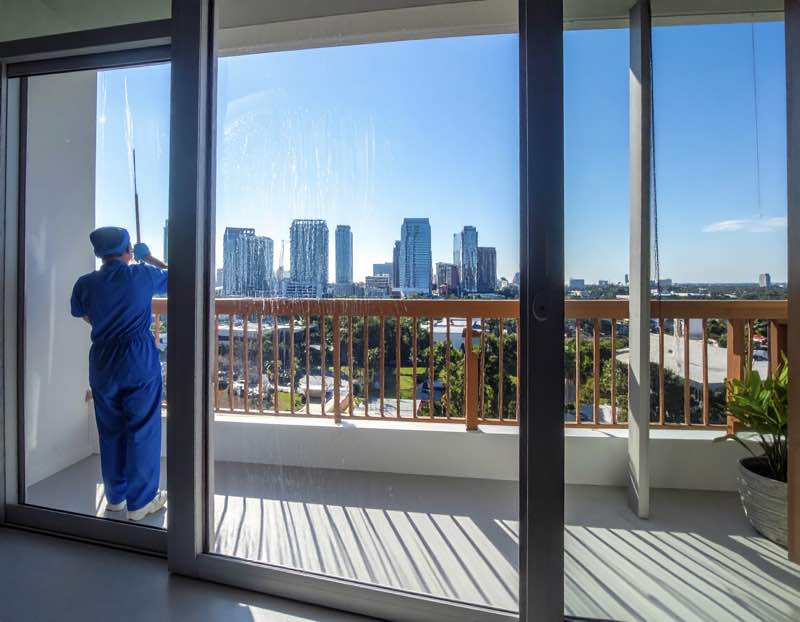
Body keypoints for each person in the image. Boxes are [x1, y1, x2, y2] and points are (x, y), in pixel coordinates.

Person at [70, 226, 168, 521]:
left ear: (99, 254)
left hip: (102, 358)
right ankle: (141, 502)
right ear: (128, 250)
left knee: (110, 429)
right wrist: (149, 258)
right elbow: (178, 278)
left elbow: (84, 315)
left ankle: (116, 497)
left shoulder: (85, 283)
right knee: (143, 428)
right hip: (137, 358)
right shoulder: (141, 274)